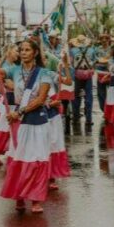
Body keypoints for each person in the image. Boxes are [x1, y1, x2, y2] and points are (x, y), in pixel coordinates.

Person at [0, 39, 52, 213]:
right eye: (21, 50)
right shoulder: (13, 70)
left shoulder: (44, 73)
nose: (23, 53)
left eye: (27, 50)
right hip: (19, 123)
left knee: (38, 160)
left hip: (38, 121)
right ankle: (19, 195)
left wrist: (19, 112)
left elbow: (40, 99)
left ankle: (36, 199)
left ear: (35, 53)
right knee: (20, 159)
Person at [46, 52, 73, 190]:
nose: (44, 61)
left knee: (53, 144)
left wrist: (66, 66)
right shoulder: (29, 74)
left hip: (53, 115)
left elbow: (68, 81)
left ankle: (51, 176)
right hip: (38, 114)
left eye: (46, 59)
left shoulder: (51, 75)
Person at [70, 34, 96, 130]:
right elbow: (94, 62)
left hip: (77, 75)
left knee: (75, 98)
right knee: (88, 97)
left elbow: (71, 64)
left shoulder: (72, 51)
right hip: (88, 75)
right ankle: (88, 119)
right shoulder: (92, 50)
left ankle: (76, 117)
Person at [93, 33, 112, 113]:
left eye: (106, 39)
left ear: (108, 40)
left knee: (112, 92)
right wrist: (100, 61)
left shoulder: (112, 49)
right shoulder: (97, 49)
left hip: (110, 73)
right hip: (100, 73)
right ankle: (104, 110)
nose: (104, 41)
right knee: (101, 93)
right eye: (102, 39)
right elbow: (95, 60)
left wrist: (105, 60)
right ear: (100, 41)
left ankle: (111, 111)